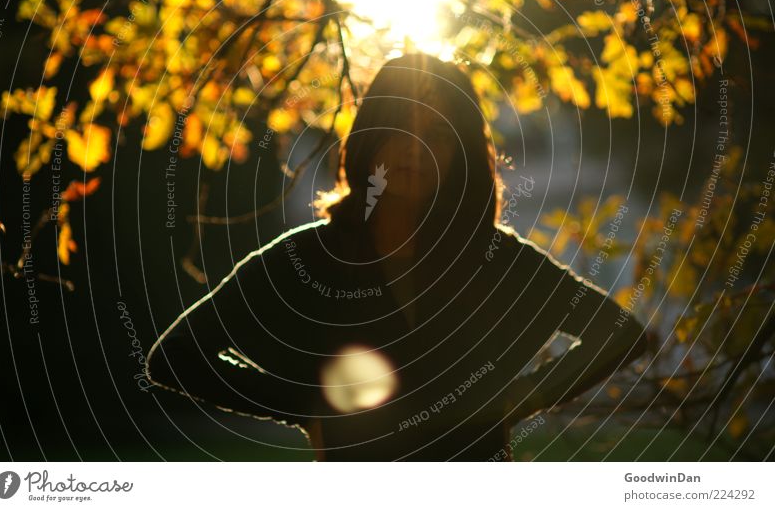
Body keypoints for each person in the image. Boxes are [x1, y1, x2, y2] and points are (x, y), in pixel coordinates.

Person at [146, 53, 648, 461]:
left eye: (438, 137)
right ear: (370, 138)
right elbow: (174, 358)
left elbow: (620, 332)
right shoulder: (306, 258)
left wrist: (512, 402)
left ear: (460, 157)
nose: (417, 151)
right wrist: (304, 408)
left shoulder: (493, 259)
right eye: (402, 130)